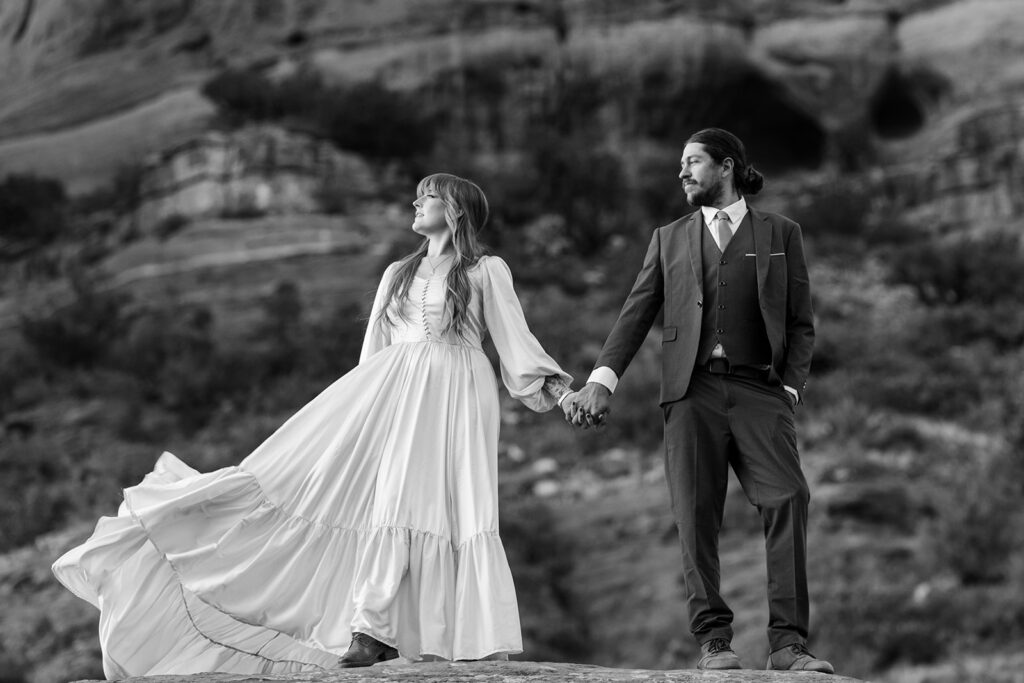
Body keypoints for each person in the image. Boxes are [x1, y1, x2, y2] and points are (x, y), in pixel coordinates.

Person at [53, 173, 575, 676]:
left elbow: (516, 345)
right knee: (391, 500)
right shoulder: (397, 273)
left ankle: (473, 638)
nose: (415, 205)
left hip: (460, 394)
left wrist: (562, 392)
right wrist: (357, 418)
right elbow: (373, 355)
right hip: (393, 395)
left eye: (427, 197)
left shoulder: (487, 272)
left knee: (461, 505)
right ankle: (372, 630)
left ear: (454, 210)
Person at [566, 128, 833, 673]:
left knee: (788, 498)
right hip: (691, 393)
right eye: (681, 164)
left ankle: (789, 646)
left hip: (761, 390)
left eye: (693, 162)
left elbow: (802, 321)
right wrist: (601, 379)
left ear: (727, 166)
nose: (682, 173)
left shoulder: (782, 232)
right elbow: (635, 313)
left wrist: (789, 386)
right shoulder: (669, 238)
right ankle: (715, 641)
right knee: (695, 515)